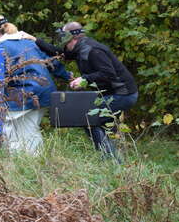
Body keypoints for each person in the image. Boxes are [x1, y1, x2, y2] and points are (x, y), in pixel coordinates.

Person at [21, 21, 138, 159]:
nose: (63, 45)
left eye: (64, 40)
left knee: (88, 118)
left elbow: (109, 74)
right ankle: (111, 156)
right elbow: (58, 53)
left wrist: (85, 79)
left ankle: (110, 159)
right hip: (114, 94)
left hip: (123, 94)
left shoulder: (93, 51)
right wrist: (35, 40)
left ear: (72, 38)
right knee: (95, 121)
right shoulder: (79, 49)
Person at [0, 15, 71, 154]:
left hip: (26, 92)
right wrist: (67, 75)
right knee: (29, 129)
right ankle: (35, 164)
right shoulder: (28, 42)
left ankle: (19, 165)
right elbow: (50, 61)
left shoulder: (3, 48)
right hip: (45, 91)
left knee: (10, 131)